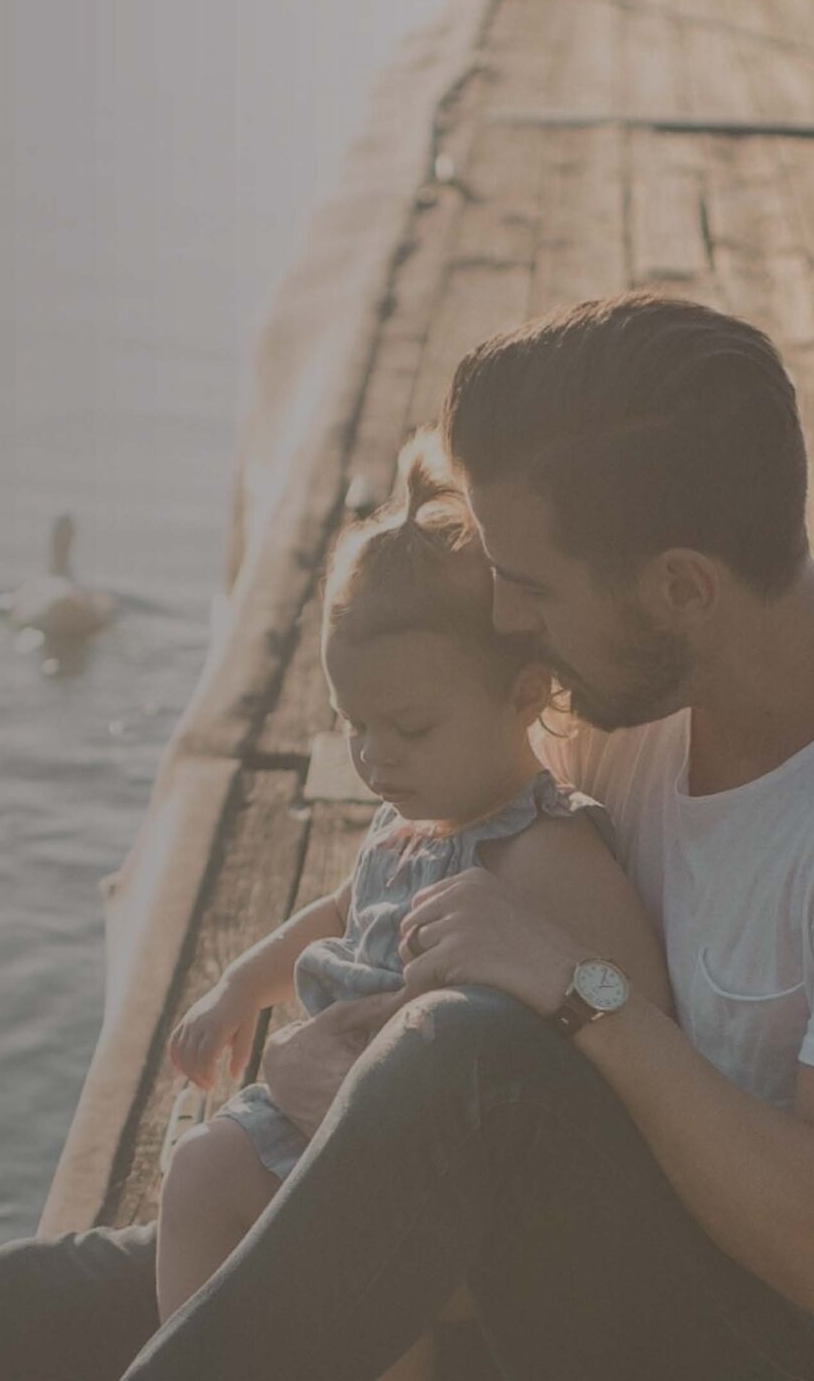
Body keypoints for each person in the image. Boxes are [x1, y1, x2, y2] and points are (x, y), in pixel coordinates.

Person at [0, 291, 814, 1381]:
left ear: (682, 588)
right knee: (31, 1315)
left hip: (765, 1348)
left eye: (531, 587)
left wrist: (581, 1002)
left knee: (468, 1059)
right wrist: (348, 1070)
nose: (503, 617)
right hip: (516, 1253)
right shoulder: (628, 688)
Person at [153, 431, 674, 1379]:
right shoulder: (407, 834)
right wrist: (240, 985)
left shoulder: (546, 850)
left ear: (525, 694)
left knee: (226, 1195)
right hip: (339, 1134)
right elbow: (333, 916)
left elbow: (637, 1026)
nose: (375, 759)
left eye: (410, 728)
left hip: (448, 1180)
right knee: (196, 1176)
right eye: (354, 726)